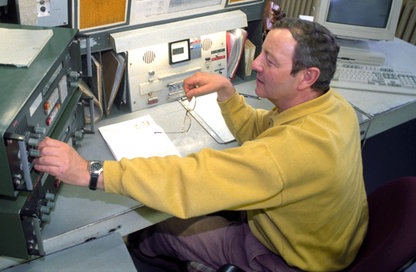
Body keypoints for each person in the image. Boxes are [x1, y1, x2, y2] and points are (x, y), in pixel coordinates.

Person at [33, 17, 368, 271]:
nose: (255, 65)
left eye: (270, 62)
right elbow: (261, 131)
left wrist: (87, 171)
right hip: (328, 240)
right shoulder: (331, 106)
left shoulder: (287, 155)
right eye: (261, 53)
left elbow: (188, 181)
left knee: (156, 226)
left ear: (307, 76)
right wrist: (227, 91)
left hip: (287, 258)